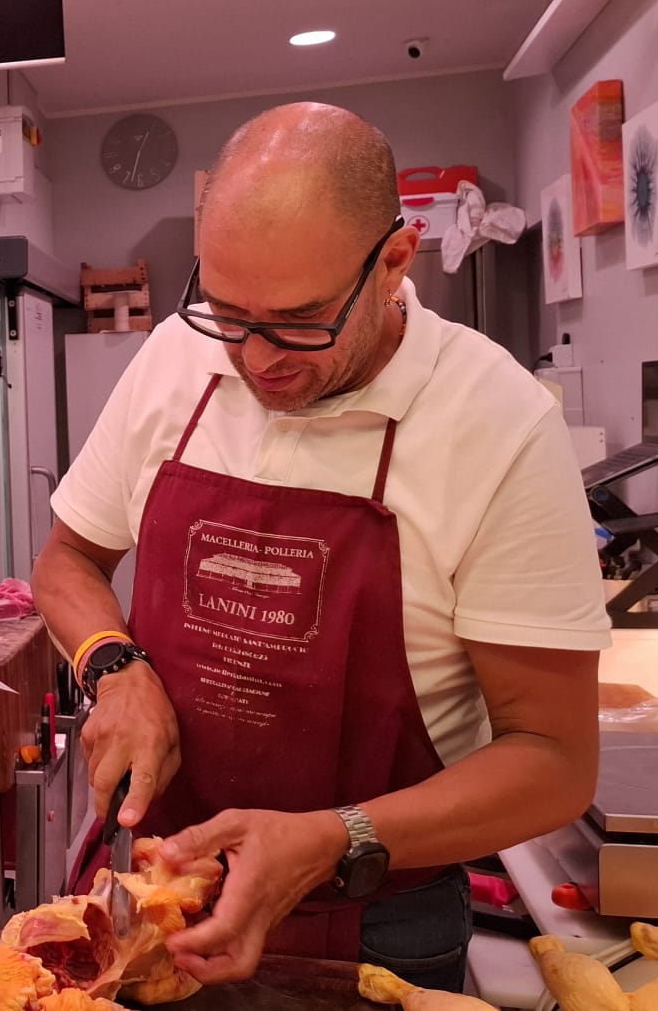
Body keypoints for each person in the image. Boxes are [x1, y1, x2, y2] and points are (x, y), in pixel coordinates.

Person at [35, 104, 608, 992]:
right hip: (153, 885)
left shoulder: (500, 425)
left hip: (377, 921)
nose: (258, 359)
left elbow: (554, 761)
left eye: (299, 321)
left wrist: (335, 837)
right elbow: (68, 560)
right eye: (230, 315)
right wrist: (115, 667)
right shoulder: (175, 360)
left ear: (395, 261)